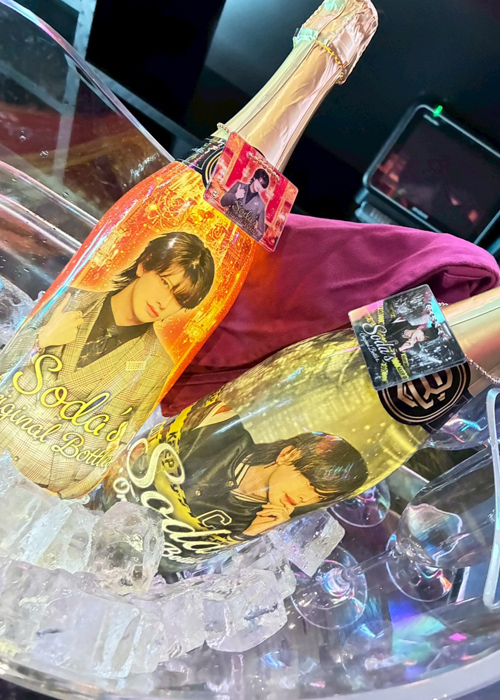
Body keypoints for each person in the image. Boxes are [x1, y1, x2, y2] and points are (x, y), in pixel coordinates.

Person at [0, 232, 215, 498]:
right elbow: (5, 363)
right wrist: (40, 341)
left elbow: (119, 441)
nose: (164, 302)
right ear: (144, 264)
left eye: (179, 299)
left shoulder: (159, 365)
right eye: (164, 282)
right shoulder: (70, 298)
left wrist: (65, 497)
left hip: (40, 491)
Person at [146, 401, 368, 540]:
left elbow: (190, 567)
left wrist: (248, 535)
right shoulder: (220, 426)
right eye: (311, 484)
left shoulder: (261, 522)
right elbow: (145, 446)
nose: (306, 498)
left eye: (320, 496)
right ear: (288, 455)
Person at [220, 168, 270, 241]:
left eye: (263, 186)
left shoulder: (261, 205)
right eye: (259, 182)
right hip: (225, 226)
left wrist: (247, 239)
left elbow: (260, 232)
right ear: (254, 178)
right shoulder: (239, 186)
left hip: (240, 238)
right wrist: (236, 196)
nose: (260, 187)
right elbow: (223, 202)